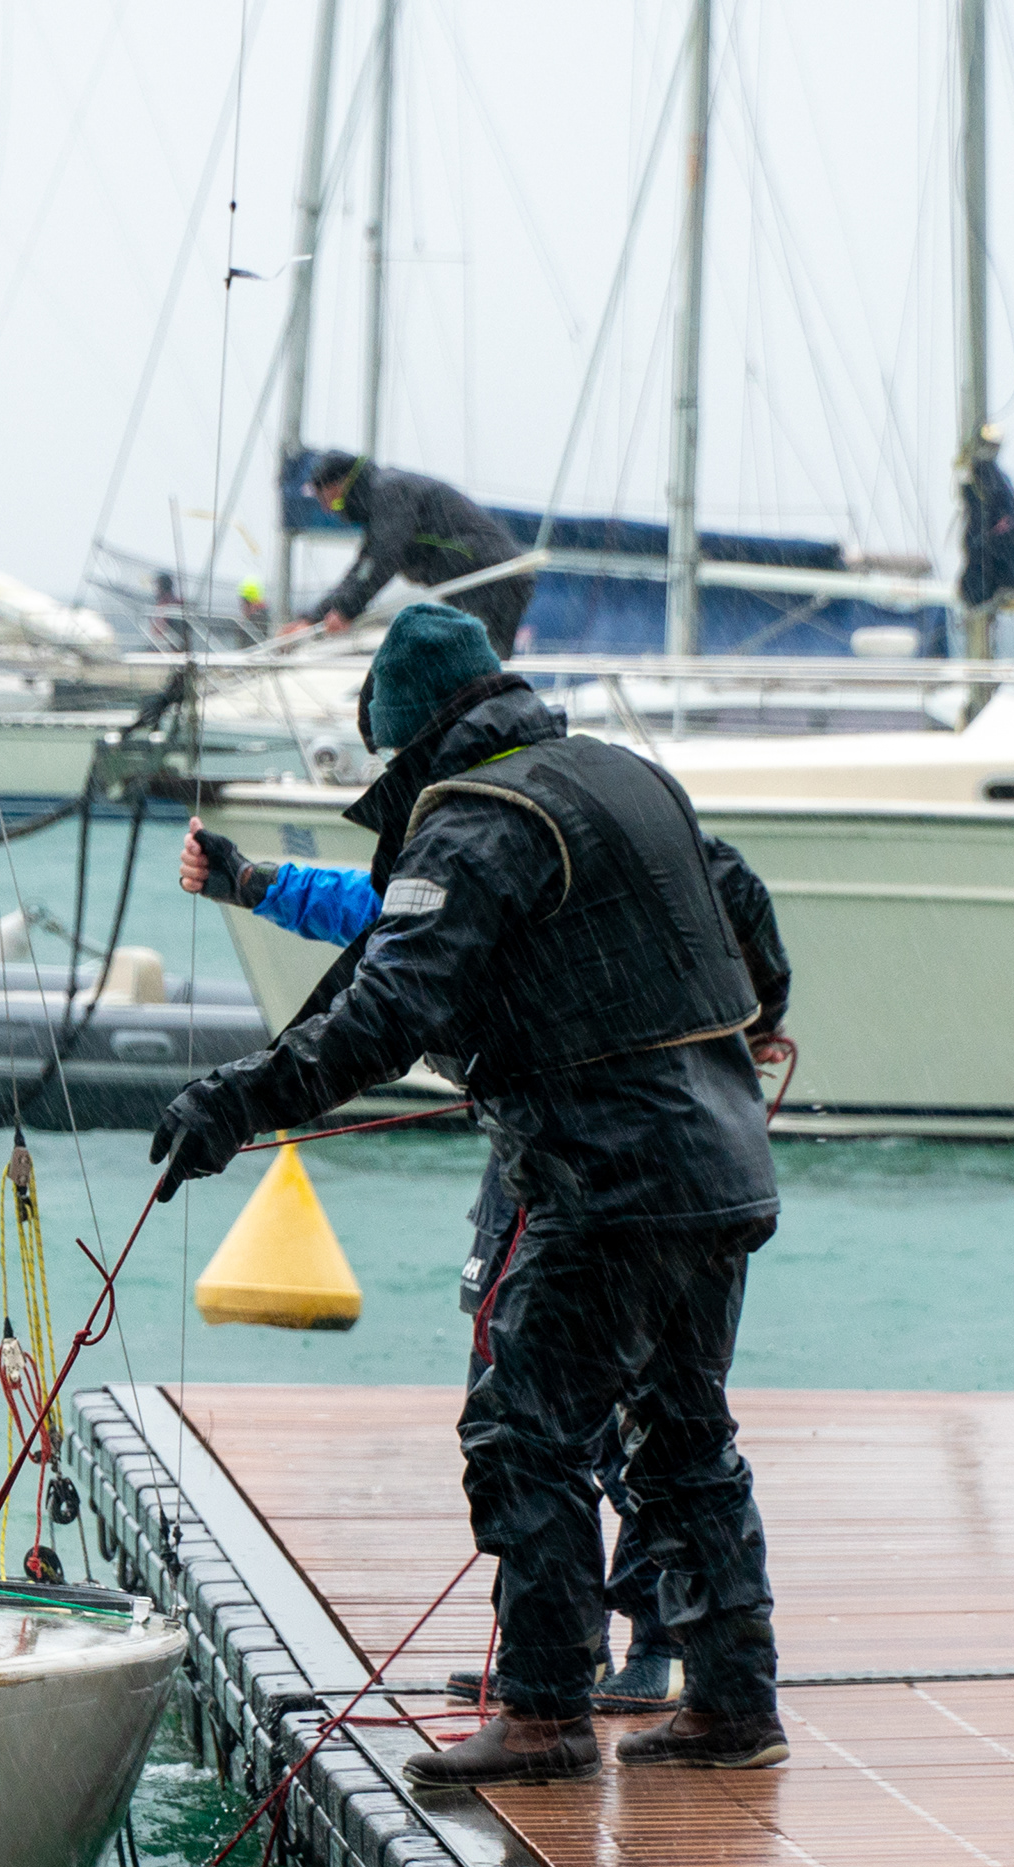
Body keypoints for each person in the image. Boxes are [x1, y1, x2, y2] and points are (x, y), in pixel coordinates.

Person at [149, 600, 793, 1780]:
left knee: (525, 1425)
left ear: (407, 740)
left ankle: (546, 1711)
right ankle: (735, 1704)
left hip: (606, 1181)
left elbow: (383, 1017)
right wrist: (757, 1031)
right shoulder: (620, 775)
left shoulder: (475, 822)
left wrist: (233, 1101)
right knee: (686, 1432)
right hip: (724, 1164)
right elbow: (748, 912)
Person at [178, 822, 749, 1714]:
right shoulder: (497, 853)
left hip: (612, 1165)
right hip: (533, 1156)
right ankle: (563, 1649)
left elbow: (752, 942)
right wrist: (253, 884)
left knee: (637, 1409)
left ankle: (654, 1640)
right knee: (514, 1397)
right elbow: (382, 913)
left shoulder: (651, 864)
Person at [289, 451, 534, 656]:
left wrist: (346, 610)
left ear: (337, 485)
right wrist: (313, 618)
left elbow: (384, 558)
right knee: (475, 665)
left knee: (479, 665)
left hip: (494, 580)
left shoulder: (390, 492)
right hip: (476, 587)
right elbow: (364, 567)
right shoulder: (381, 498)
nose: (326, 509)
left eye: (325, 499)